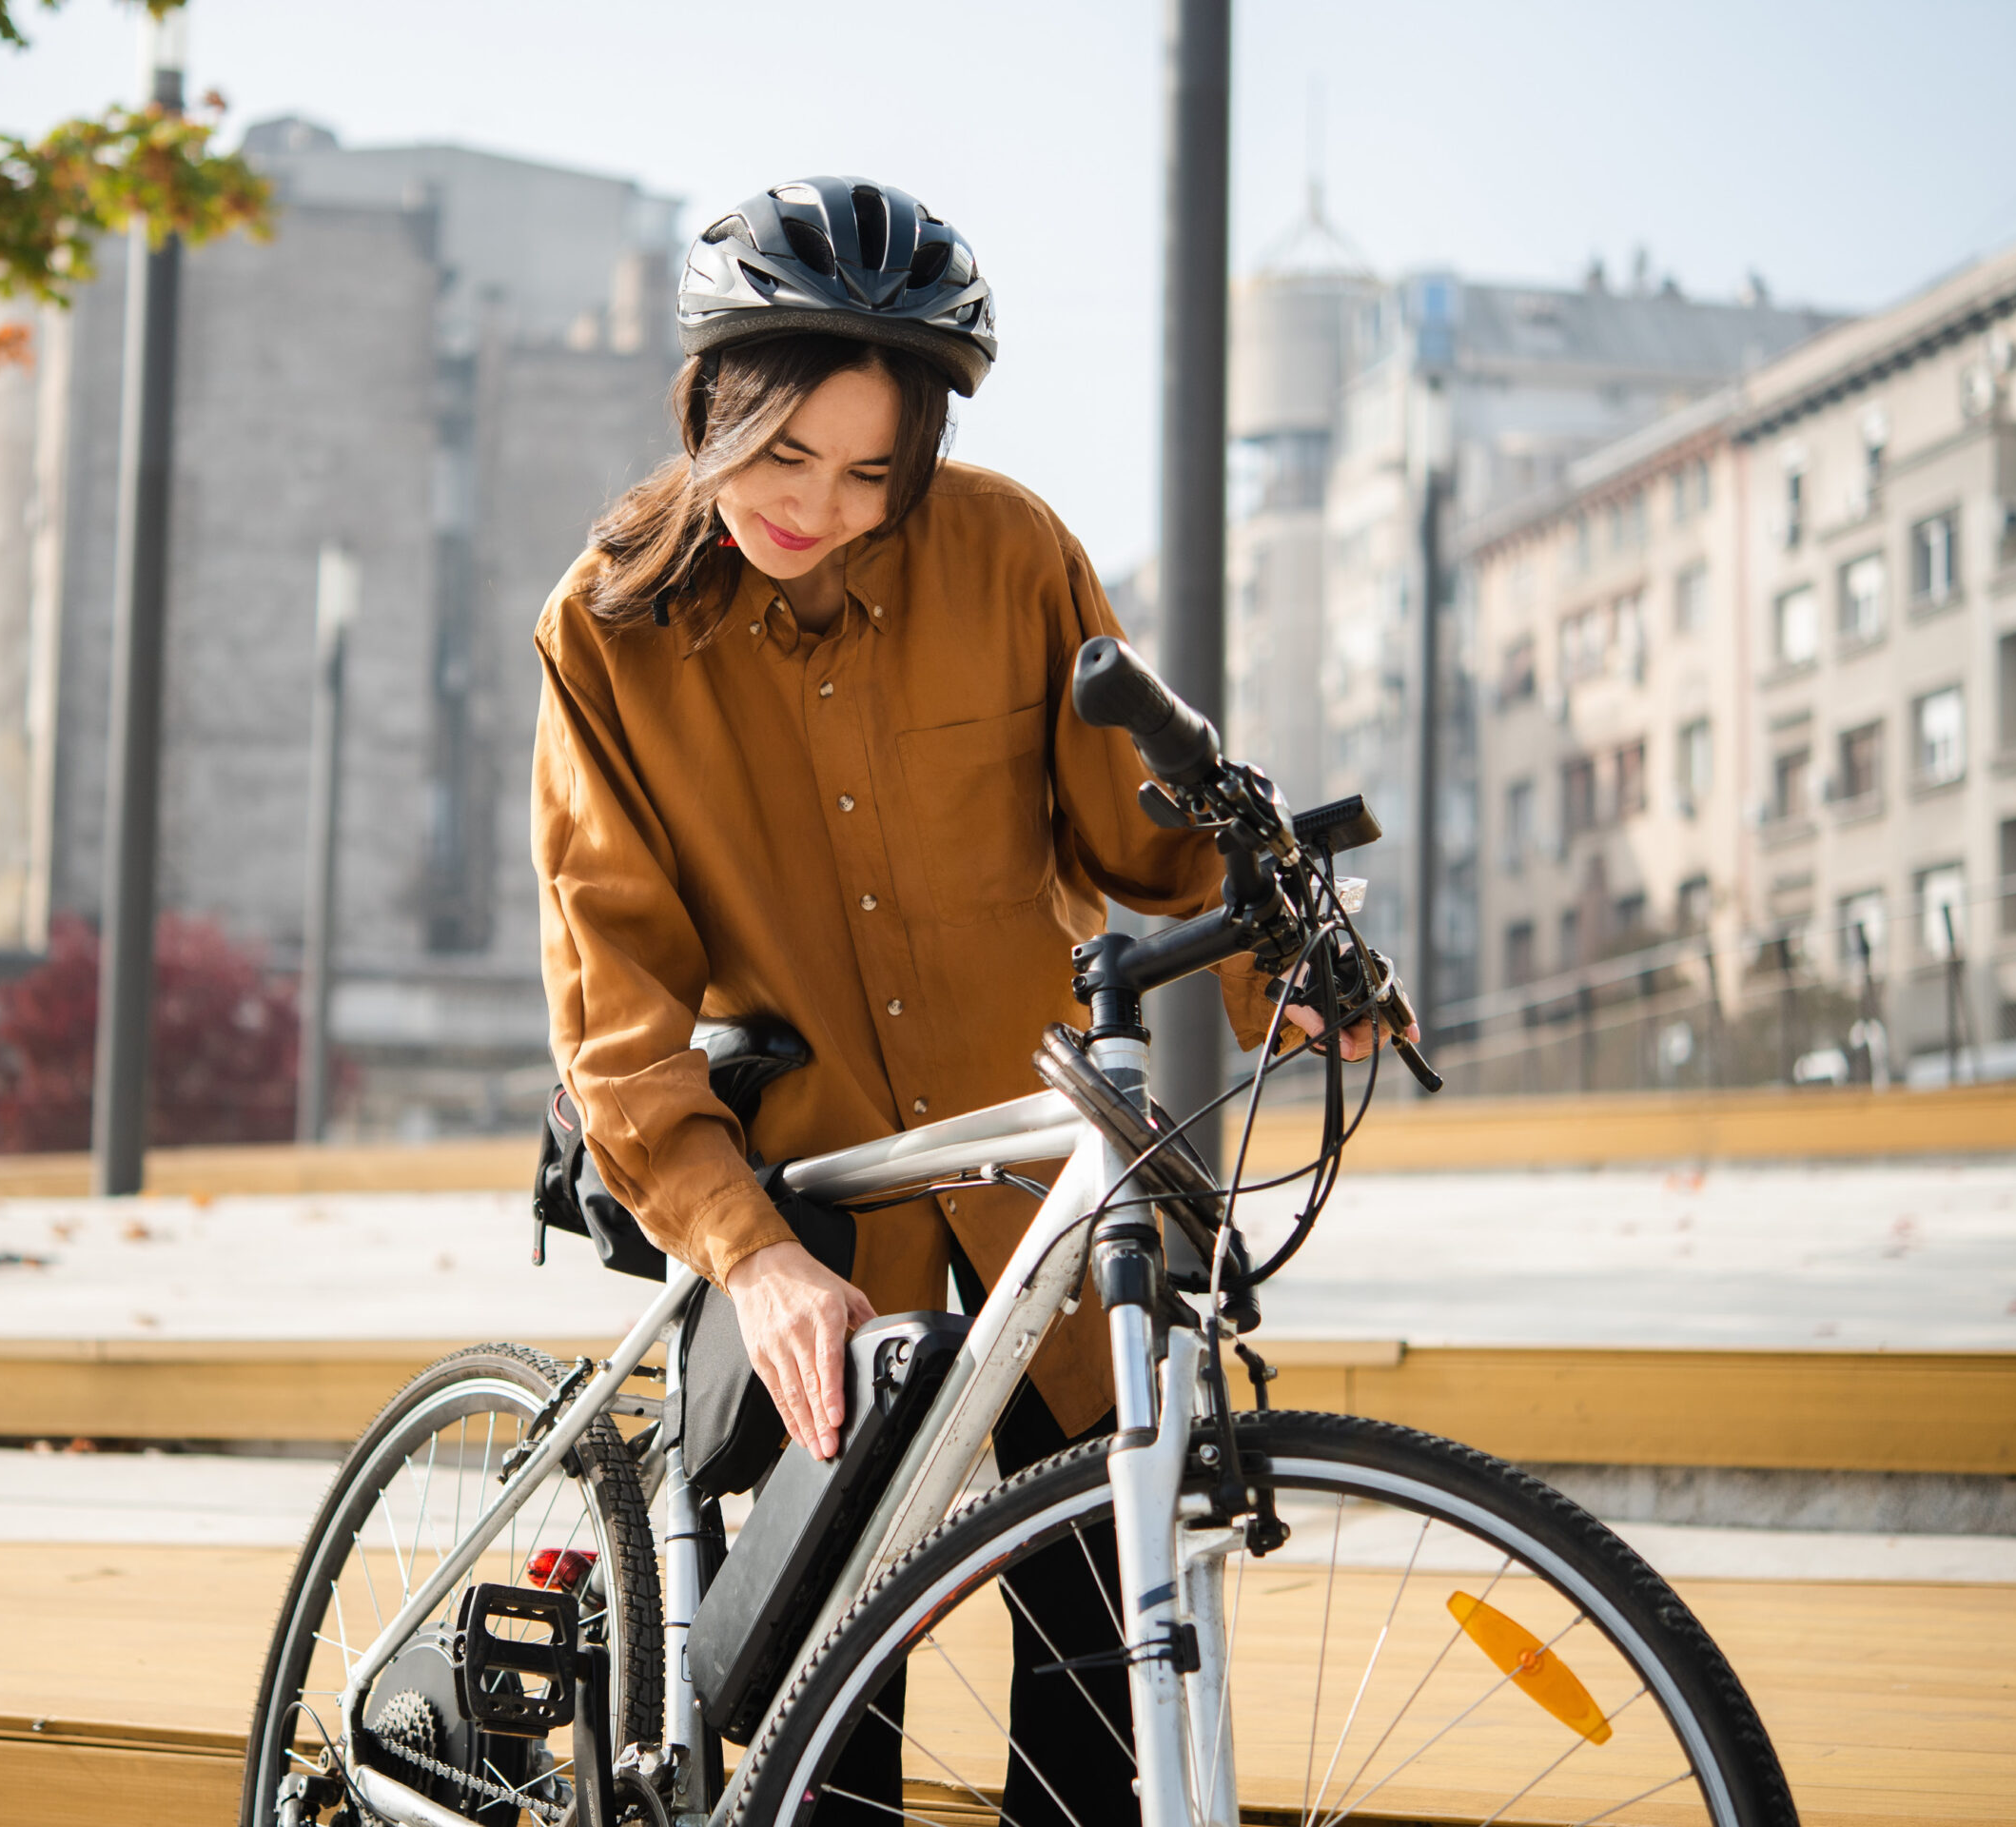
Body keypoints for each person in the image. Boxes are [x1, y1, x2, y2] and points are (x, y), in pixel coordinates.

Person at [533, 175, 1397, 1826]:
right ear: (712, 404)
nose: (824, 508)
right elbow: (613, 986)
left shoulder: (1004, 551)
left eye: (872, 472)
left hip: (1044, 1209)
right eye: (783, 457)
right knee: (822, 1764)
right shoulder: (604, 634)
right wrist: (754, 1255)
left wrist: (1286, 941)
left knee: (1092, 1720)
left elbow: (1142, 829)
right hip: (819, 1231)